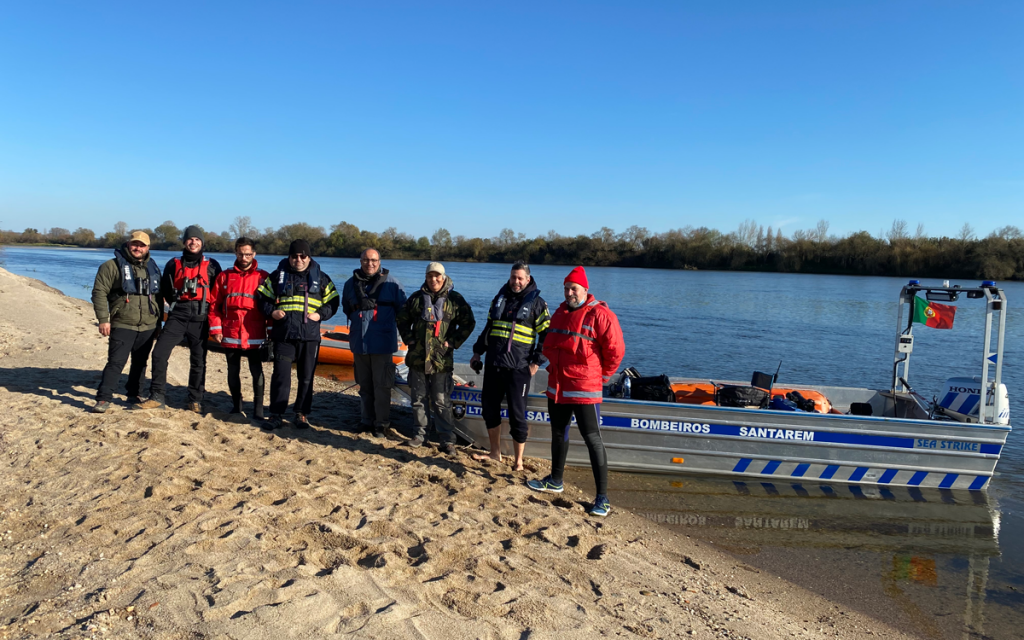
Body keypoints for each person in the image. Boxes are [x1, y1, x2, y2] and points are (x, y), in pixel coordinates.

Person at [527, 266, 624, 517]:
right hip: (558, 385)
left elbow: (616, 351)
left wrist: (602, 377)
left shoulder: (600, 315)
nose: (569, 293)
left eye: (574, 289)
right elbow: (549, 344)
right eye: (566, 289)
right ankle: (555, 480)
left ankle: (602, 498)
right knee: (558, 432)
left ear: (585, 290)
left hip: (585, 388)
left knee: (592, 438)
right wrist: (551, 365)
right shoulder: (560, 312)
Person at [469, 261, 551, 470]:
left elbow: (547, 337)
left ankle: (518, 461)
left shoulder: (538, 304)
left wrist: (536, 363)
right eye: (513, 277)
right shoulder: (499, 299)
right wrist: (477, 352)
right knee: (489, 410)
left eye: (520, 278)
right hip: (494, 364)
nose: (516, 281)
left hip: (519, 368)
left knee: (517, 415)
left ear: (528, 279)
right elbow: (488, 329)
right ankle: (495, 453)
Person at [256, 239, 340, 430]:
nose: (299, 260)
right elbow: (261, 298)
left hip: (309, 336)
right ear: (289, 257)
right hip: (283, 335)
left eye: (303, 256)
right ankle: (276, 414)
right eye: (295, 256)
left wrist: (320, 314)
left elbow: (334, 301)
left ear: (309, 257)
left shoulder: (322, 278)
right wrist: (272, 312)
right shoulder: (277, 277)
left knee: (306, 377)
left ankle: (301, 414)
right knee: (281, 376)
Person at [140, 226, 222, 412]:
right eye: (190, 239)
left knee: (198, 360)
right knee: (159, 353)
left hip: (201, 316)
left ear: (202, 243)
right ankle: (157, 396)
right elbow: (165, 291)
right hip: (178, 315)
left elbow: (218, 295)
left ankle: (195, 399)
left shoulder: (212, 265)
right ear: (184, 242)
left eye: (197, 239)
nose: (193, 242)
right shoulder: (173, 264)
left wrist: (216, 324)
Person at [396, 262, 476, 453]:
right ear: (426, 277)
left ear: (443, 277)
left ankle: (447, 439)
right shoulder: (416, 298)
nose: (434, 280)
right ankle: (420, 435)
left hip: (441, 360)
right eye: (430, 276)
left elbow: (469, 323)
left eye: (437, 276)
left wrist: (453, 342)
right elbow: (402, 319)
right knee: (418, 399)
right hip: (418, 359)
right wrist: (409, 339)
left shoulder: (455, 299)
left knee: (441, 401)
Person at [90, 231, 163, 413]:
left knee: (140, 362)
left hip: (148, 324)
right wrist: (103, 320)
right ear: (128, 244)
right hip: (122, 322)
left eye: (142, 245)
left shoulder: (152, 267)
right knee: (116, 362)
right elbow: (99, 292)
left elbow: (159, 297)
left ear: (148, 248)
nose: (138, 248)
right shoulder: (111, 266)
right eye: (135, 244)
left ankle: (134, 394)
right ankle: (104, 398)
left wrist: (158, 323)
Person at [342, 248, 407, 438]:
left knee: (382, 387)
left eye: (373, 260)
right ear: (360, 261)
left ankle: (381, 424)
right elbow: (347, 308)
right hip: (359, 342)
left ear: (379, 262)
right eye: (365, 260)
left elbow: (404, 313)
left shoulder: (393, 284)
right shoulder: (350, 284)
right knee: (364, 386)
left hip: (382, 344)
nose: (369, 263)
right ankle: (366, 420)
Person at [208, 237, 270, 419]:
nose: (244, 258)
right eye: (241, 254)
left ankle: (258, 410)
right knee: (233, 370)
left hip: (255, 333)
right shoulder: (224, 276)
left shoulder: (263, 277)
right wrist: (216, 329)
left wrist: (271, 332)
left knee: (256, 371)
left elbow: (270, 306)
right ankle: (236, 406)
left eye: (248, 254)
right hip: (231, 331)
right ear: (235, 253)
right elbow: (214, 305)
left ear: (254, 254)